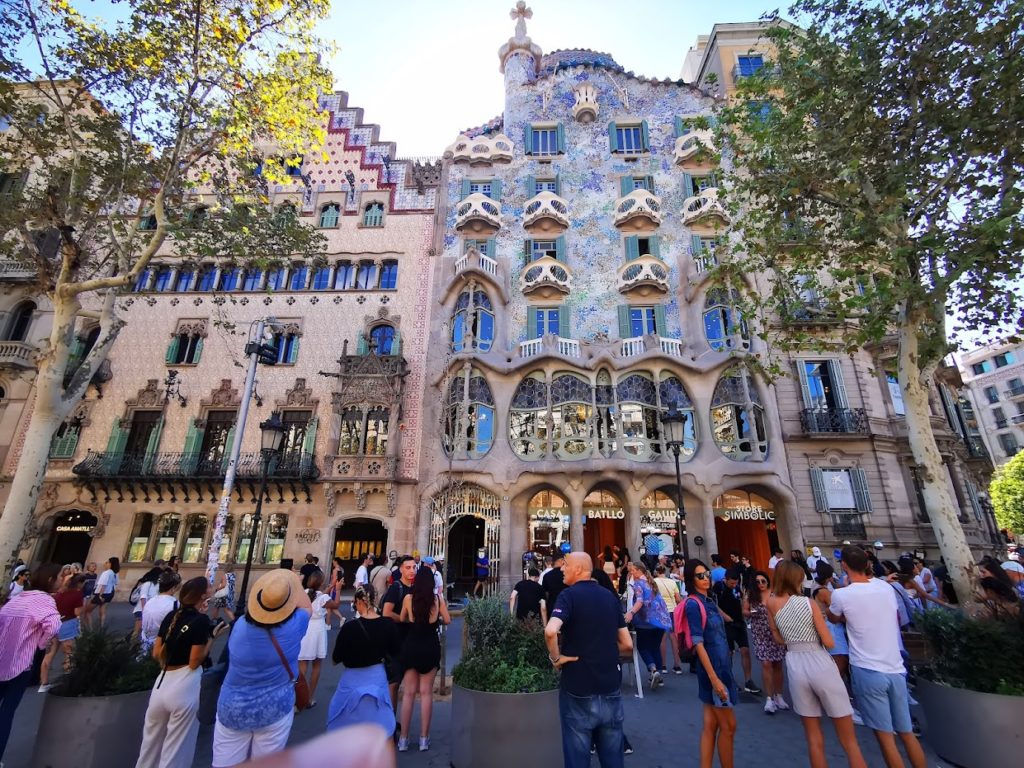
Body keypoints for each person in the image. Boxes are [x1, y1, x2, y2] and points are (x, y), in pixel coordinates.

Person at [828, 546, 926, 768]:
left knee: (885, 738)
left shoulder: (842, 594)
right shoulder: (885, 588)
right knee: (906, 733)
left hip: (867, 669)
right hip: (895, 668)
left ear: (843, 565)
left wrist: (843, 598)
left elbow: (834, 618)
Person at [767, 562, 868, 768]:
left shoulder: (771, 603)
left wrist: (795, 639)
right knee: (849, 741)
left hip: (794, 661)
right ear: (796, 579)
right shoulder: (807, 603)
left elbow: (777, 637)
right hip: (818, 659)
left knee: (813, 738)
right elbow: (829, 641)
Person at [213, 570, 311, 767]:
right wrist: (293, 581)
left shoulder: (240, 626)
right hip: (274, 708)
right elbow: (307, 607)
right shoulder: (292, 628)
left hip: (233, 708)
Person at [545, 552, 632, 768]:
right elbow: (627, 644)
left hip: (578, 686)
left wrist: (556, 658)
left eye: (565, 565)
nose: (561, 569)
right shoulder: (609, 597)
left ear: (578, 569)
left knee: (577, 758)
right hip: (610, 685)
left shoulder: (568, 596)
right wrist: (604, 650)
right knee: (613, 758)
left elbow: (550, 631)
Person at [136, 576, 227, 768]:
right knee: (177, 750)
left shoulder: (172, 616)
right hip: (185, 684)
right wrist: (213, 637)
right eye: (209, 587)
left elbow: (157, 653)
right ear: (203, 596)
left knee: (149, 747)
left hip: (162, 682)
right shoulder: (201, 621)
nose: (212, 588)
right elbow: (195, 661)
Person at [0, 562, 61, 762]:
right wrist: (41, 644)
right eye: (60, 576)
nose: (62, 580)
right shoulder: (44, 601)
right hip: (20, 662)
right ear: (50, 580)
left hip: (2, 657)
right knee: (6, 713)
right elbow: (53, 625)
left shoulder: (18, 598)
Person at [684, 559, 737, 768]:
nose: (705, 578)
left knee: (711, 725)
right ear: (690, 579)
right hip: (712, 670)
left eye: (706, 574)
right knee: (729, 726)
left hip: (721, 667)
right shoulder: (693, 604)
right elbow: (698, 643)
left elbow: (726, 621)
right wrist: (714, 678)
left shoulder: (709, 601)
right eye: (699, 575)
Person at [327, 584, 400, 735]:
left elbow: (335, 658)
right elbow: (395, 651)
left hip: (352, 678)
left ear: (360, 601)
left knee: (344, 718)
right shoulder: (388, 625)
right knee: (378, 718)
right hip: (377, 675)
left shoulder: (349, 628)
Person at [397, 565, 450, 752]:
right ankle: (423, 738)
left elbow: (402, 618)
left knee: (409, 693)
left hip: (411, 645)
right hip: (429, 646)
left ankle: (403, 739)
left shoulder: (408, 599)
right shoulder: (437, 600)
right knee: (426, 693)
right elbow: (448, 619)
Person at [298, 570, 342, 709]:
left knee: (302, 666)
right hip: (317, 630)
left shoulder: (304, 593)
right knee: (316, 665)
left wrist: (331, 585)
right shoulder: (322, 598)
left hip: (305, 629)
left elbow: (320, 594)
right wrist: (338, 589)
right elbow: (335, 605)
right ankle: (309, 697)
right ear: (320, 583)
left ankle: (298, 697)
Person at [711, 566, 760, 695]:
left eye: (735, 583)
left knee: (745, 650)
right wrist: (724, 616)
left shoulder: (738, 588)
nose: (734, 585)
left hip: (739, 622)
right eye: (731, 583)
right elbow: (713, 604)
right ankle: (729, 678)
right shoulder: (718, 588)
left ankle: (748, 680)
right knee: (729, 652)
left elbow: (742, 599)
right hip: (726, 623)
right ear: (725, 580)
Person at [744, 570, 787, 713]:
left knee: (778, 664)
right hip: (760, 633)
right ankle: (769, 698)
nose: (761, 584)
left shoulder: (775, 593)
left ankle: (779, 695)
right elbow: (744, 611)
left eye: (763, 581)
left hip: (776, 632)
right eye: (758, 582)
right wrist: (751, 613)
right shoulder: (751, 596)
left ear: (768, 581)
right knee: (766, 663)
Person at [380, 555, 417, 714]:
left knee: (409, 684)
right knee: (394, 683)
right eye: (408, 567)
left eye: (414, 567)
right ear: (401, 569)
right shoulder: (396, 588)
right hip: (396, 640)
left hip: (411, 641)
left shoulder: (415, 588)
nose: (411, 571)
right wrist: (406, 620)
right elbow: (386, 612)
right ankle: (390, 721)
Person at [39, 572, 86, 692]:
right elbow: (77, 612)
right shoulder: (77, 594)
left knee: (49, 654)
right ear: (79, 583)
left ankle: (43, 683)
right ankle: (68, 682)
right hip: (68, 624)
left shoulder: (60, 593)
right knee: (69, 654)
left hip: (55, 624)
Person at [623, 561, 665, 689]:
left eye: (633, 571)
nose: (631, 573)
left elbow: (639, 601)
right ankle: (659, 674)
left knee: (642, 646)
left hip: (644, 621)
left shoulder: (638, 584)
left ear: (639, 570)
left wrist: (630, 613)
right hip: (659, 621)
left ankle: (652, 669)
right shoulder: (652, 583)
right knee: (655, 647)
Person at [142, 571, 183, 656]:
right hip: (160, 643)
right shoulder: (174, 603)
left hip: (146, 640)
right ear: (173, 588)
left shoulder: (151, 601)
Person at [653, 564, 683, 674]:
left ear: (656, 572)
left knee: (662, 639)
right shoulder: (672, 582)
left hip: (660, 611)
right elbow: (678, 599)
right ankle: (677, 665)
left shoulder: (654, 582)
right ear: (665, 571)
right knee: (674, 638)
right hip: (672, 611)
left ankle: (663, 665)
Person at [81, 556, 120, 629]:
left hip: (102, 593)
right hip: (110, 593)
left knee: (87, 611)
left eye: (107, 562)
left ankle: (90, 629)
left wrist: (100, 595)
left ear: (111, 564)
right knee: (102, 610)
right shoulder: (115, 573)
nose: (106, 564)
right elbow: (116, 583)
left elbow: (103, 584)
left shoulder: (106, 573)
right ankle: (101, 627)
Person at [132, 566, 166, 640]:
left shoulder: (159, 585)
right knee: (138, 630)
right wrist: (145, 610)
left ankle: (140, 646)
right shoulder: (147, 584)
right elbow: (143, 597)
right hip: (141, 609)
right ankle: (131, 647)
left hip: (151, 611)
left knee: (145, 630)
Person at [326, 556, 345, 628]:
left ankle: (328, 624)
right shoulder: (341, 569)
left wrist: (330, 588)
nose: (332, 562)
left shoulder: (335, 570)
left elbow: (334, 580)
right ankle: (329, 623)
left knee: (329, 606)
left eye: (333, 561)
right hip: (337, 588)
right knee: (331, 607)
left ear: (336, 561)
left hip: (333, 589)